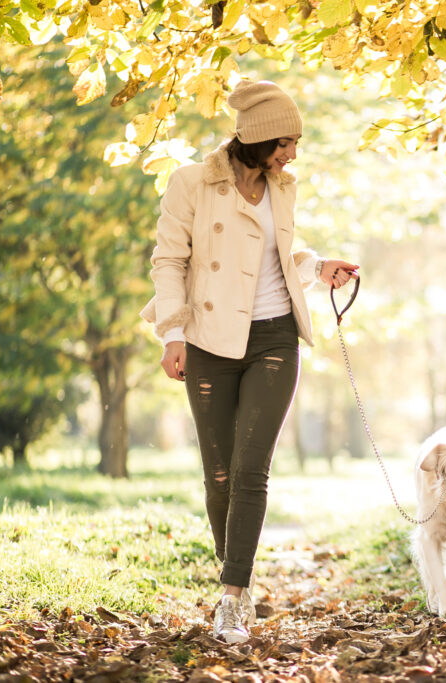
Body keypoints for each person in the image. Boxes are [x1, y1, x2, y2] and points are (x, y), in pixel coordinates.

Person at [140, 79, 358, 643]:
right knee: (218, 476)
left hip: (274, 338)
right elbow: (169, 262)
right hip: (210, 340)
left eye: (296, 141)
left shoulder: (283, 187)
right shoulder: (192, 183)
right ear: (258, 137)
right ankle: (236, 572)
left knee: (249, 469)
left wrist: (318, 268)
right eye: (286, 141)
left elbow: (279, 256)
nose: (293, 152)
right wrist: (173, 333)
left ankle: (231, 599)